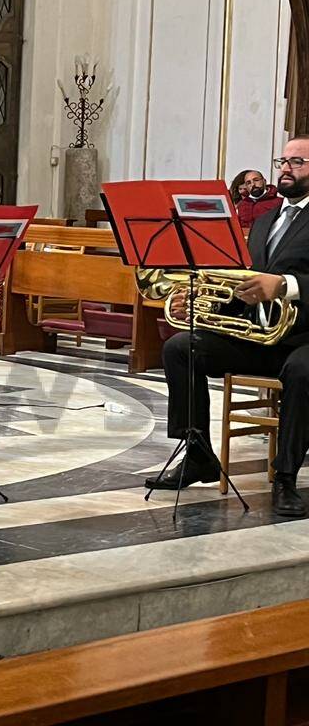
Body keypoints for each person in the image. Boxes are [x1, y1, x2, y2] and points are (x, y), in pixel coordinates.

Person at [149, 137, 309, 517]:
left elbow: (276, 283)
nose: (285, 168)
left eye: (297, 161)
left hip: (303, 338)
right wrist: (205, 299)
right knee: (180, 347)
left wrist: (286, 285)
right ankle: (199, 455)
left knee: (303, 370)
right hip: (260, 336)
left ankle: (285, 477)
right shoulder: (266, 220)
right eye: (282, 161)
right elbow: (244, 282)